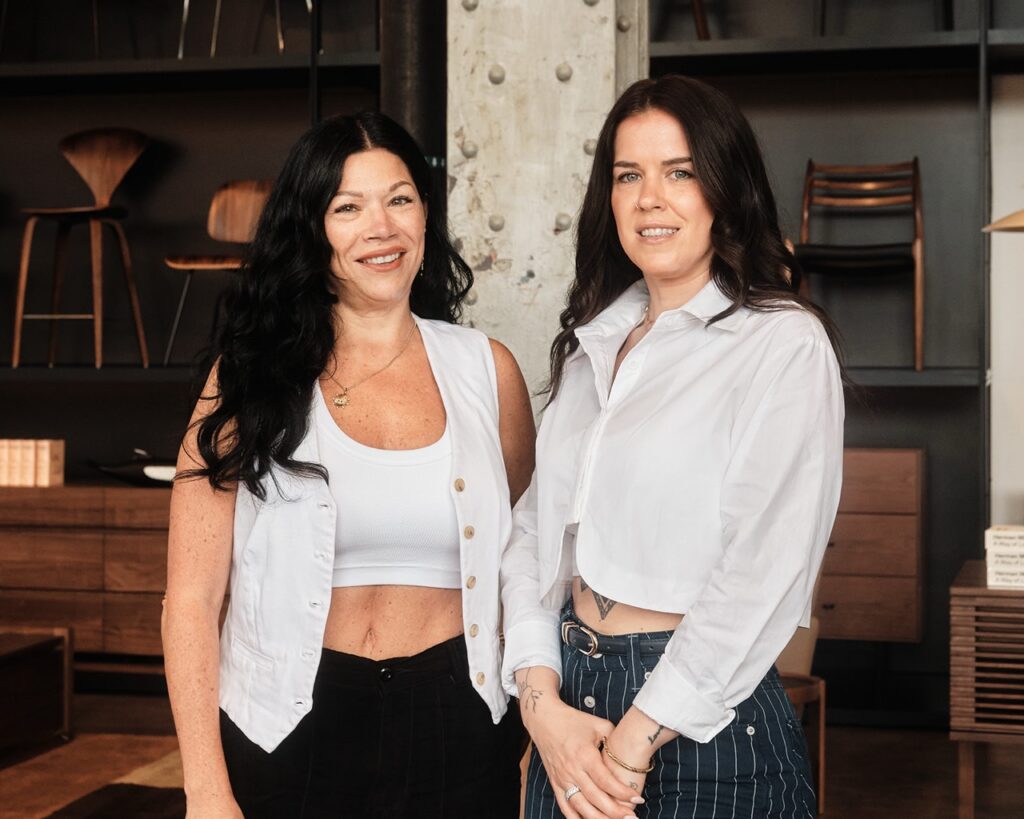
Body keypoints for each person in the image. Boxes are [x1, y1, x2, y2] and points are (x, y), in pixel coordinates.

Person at [162, 111, 535, 819]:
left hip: (458, 718)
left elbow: (524, 562)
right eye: (347, 207)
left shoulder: (488, 371)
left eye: (399, 198)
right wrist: (204, 786)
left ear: (425, 214)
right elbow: (190, 600)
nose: (381, 227)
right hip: (288, 725)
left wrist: (530, 731)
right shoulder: (245, 378)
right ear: (312, 228)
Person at [501, 75, 845, 819]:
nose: (649, 197)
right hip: (568, 708)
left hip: (699, 722)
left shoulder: (781, 344)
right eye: (629, 175)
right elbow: (534, 533)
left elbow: (762, 572)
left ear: (725, 189)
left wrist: (632, 741)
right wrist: (540, 701)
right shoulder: (593, 346)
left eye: (679, 172)